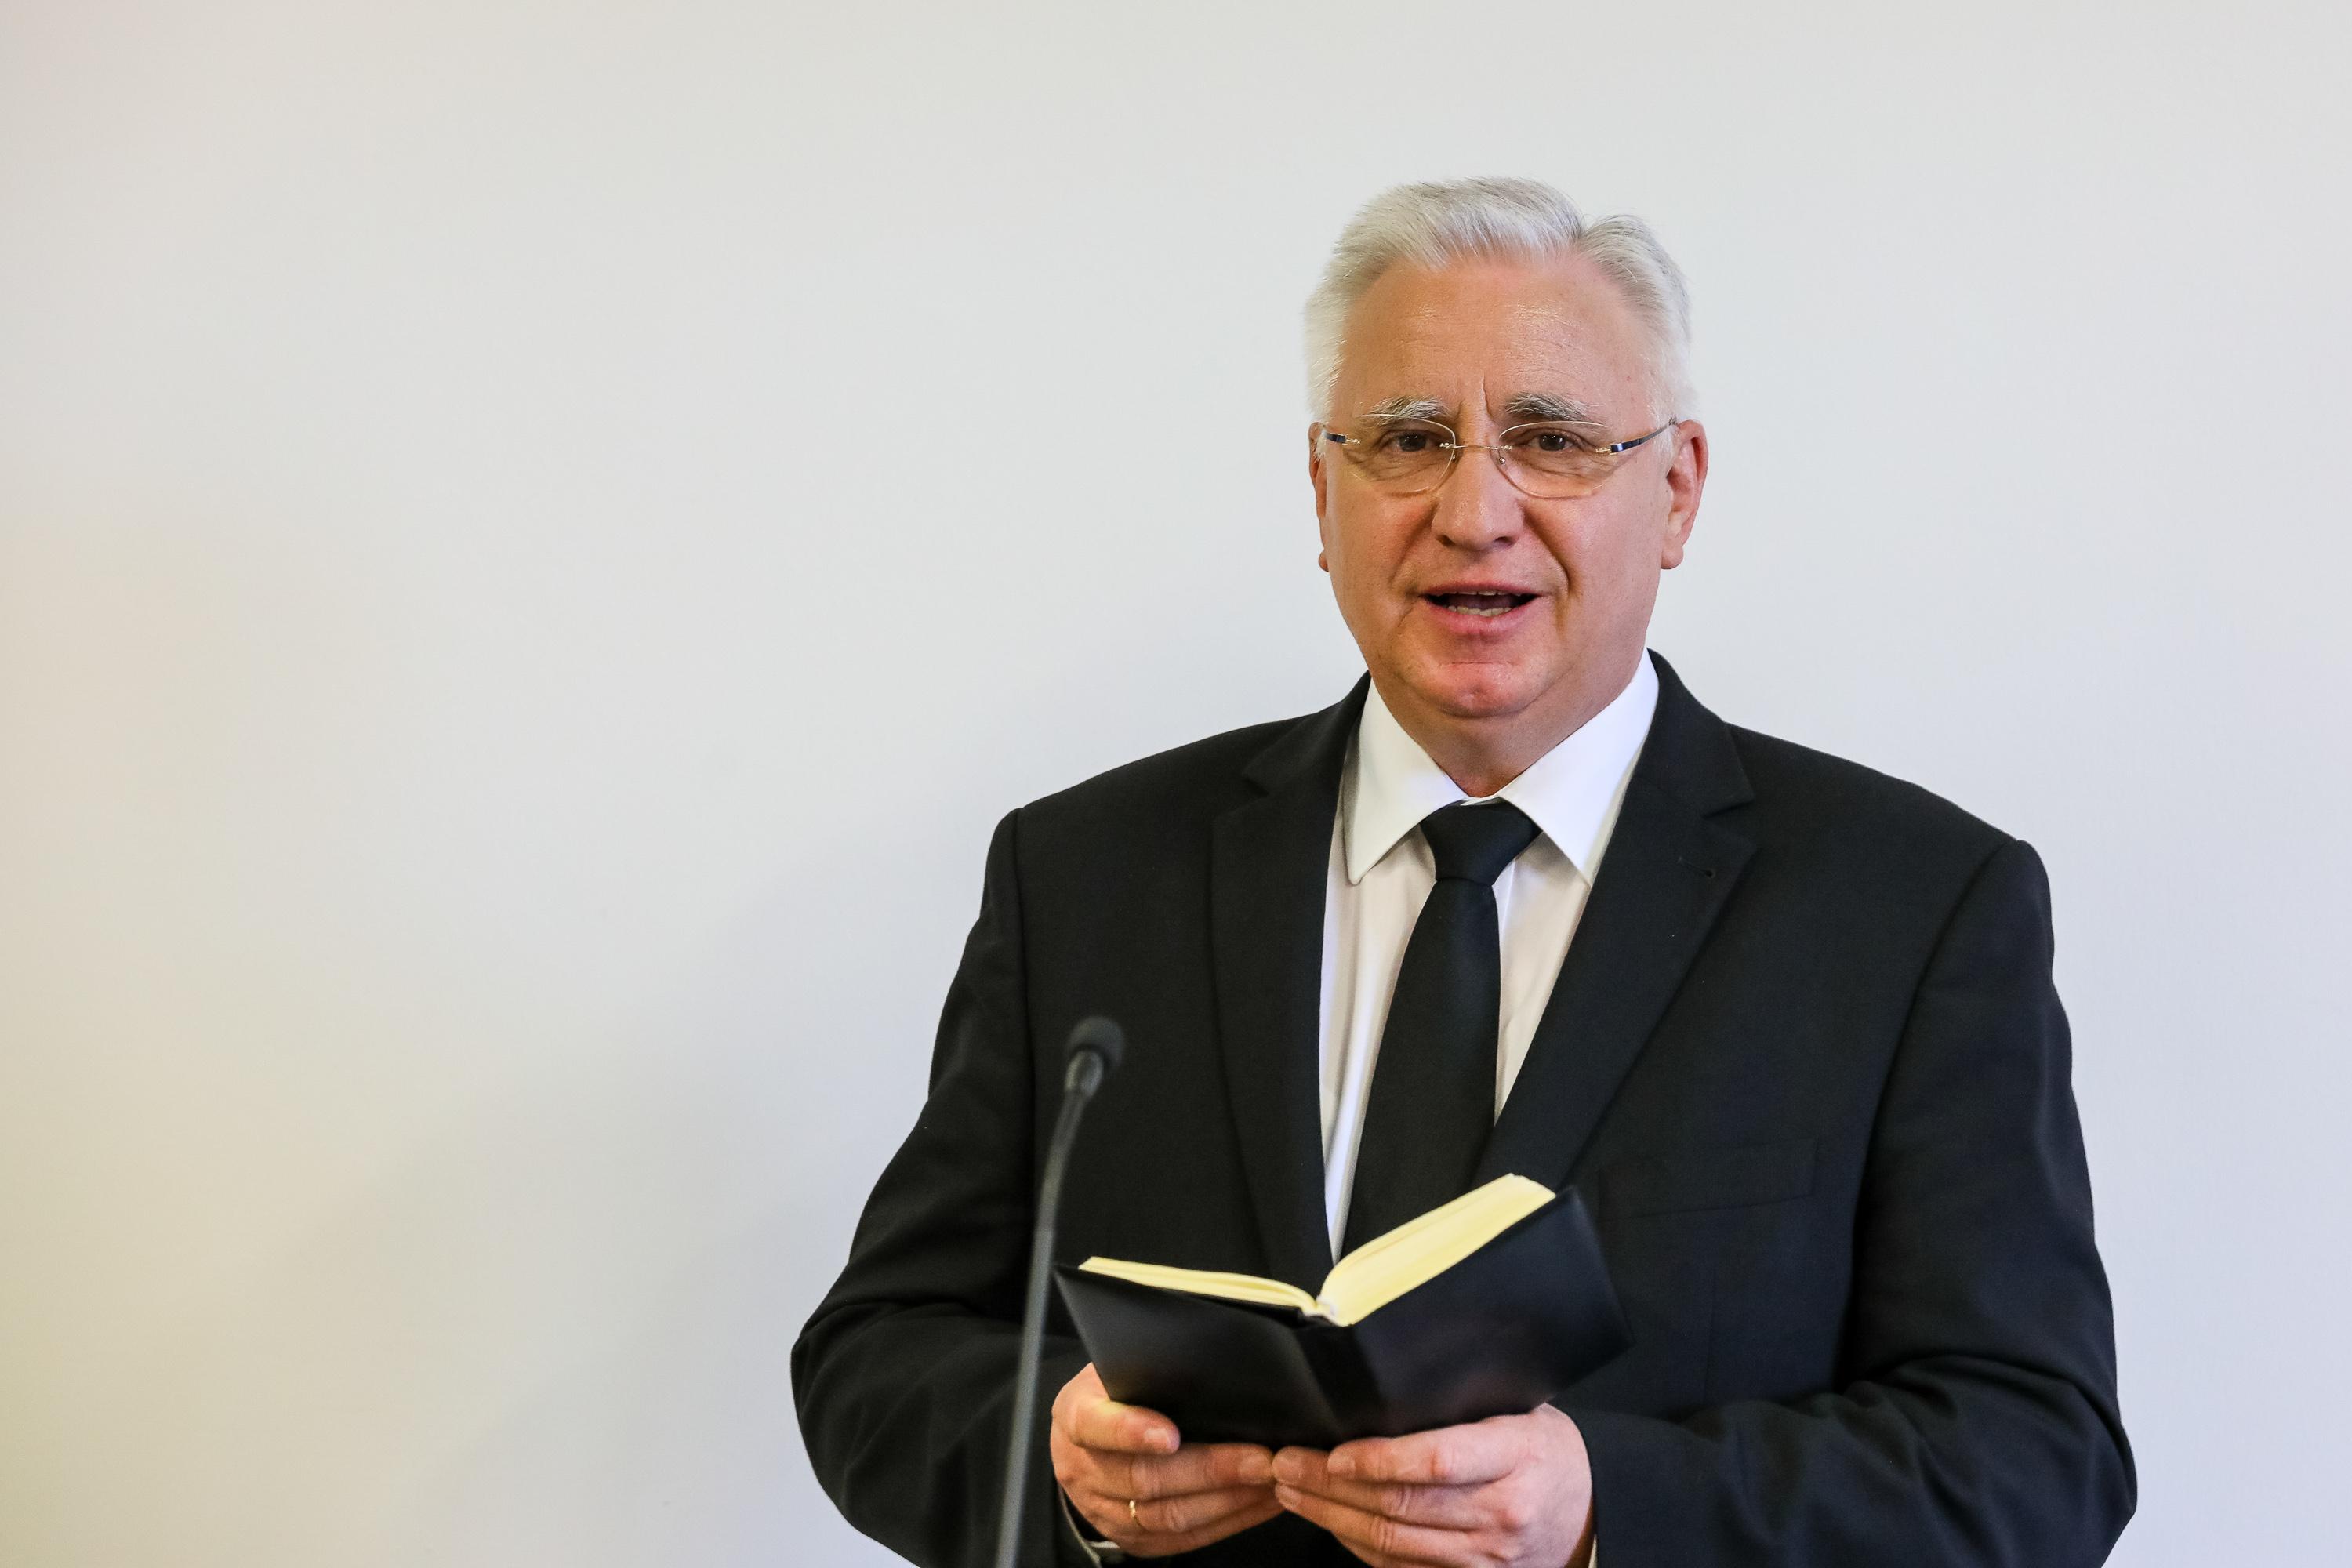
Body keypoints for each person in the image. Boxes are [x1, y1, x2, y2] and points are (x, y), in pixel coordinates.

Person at [792, 177, 2135, 1567]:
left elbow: (2038, 1458)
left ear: (1676, 491)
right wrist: (1065, 1460)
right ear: (1323, 492)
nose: (1475, 510)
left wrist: (1609, 1507)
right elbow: (876, 1353)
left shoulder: (1915, 910)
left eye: (1552, 441)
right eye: (1408, 440)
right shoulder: (1086, 874)